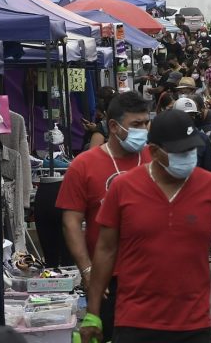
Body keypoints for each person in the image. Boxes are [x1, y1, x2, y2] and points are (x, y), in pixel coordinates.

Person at [81, 110, 211, 343]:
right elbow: (105, 250)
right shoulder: (123, 188)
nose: (188, 156)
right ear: (154, 151)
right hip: (134, 323)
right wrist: (93, 313)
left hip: (194, 324)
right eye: (180, 152)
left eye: (192, 150)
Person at [56, 92, 151, 343]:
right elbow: (71, 222)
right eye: (136, 124)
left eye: (146, 123)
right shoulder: (83, 165)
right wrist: (88, 271)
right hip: (110, 278)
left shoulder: (155, 158)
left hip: (154, 274)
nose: (143, 130)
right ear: (113, 126)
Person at [174, 99, 211, 172]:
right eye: (184, 115)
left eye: (192, 115)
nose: (188, 119)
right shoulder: (166, 138)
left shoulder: (203, 139)